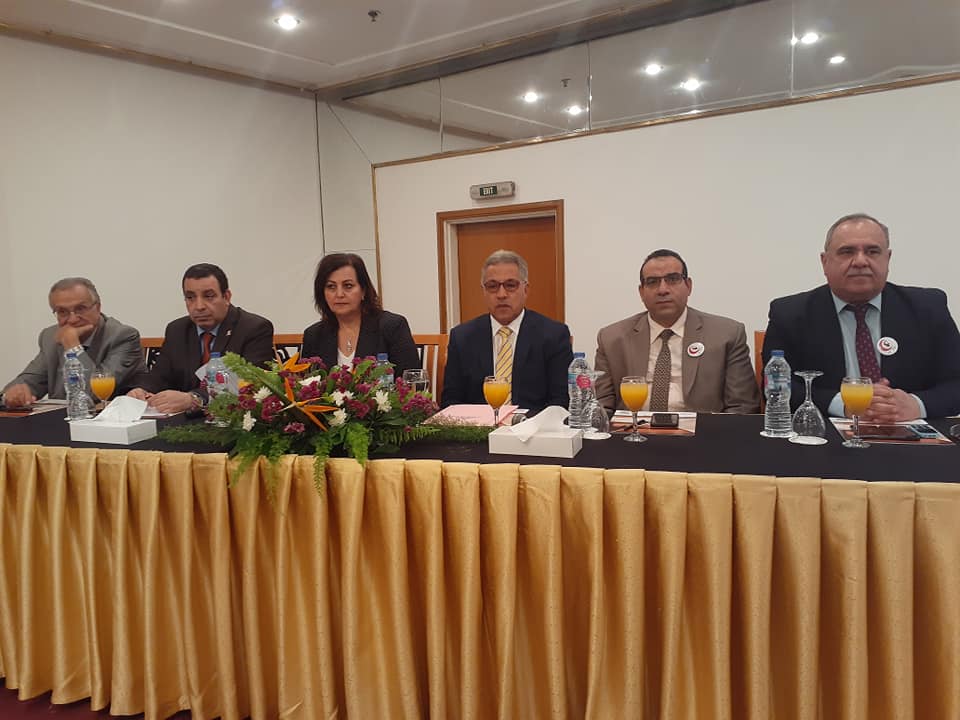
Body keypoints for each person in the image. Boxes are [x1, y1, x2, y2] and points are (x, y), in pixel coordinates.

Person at [763, 212, 960, 420]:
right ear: (824, 262)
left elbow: (955, 382)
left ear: (888, 259)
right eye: (847, 252)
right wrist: (845, 404)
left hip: (910, 430)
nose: (860, 261)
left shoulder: (928, 308)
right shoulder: (790, 314)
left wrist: (916, 405)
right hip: (829, 433)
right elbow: (777, 388)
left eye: (872, 251)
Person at [594, 249, 759, 414]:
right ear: (641, 292)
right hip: (633, 428)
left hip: (703, 429)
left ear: (689, 286)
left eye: (672, 279)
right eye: (652, 282)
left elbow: (742, 407)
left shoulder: (727, 335)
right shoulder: (611, 339)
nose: (662, 289)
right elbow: (601, 408)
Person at [441, 249, 572, 416]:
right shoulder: (462, 337)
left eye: (510, 285)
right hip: (478, 428)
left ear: (526, 290)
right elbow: (451, 402)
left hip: (532, 427)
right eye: (492, 286)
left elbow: (560, 402)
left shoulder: (554, 335)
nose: (501, 294)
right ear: (483, 291)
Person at [128, 263, 274, 413]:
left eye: (208, 296)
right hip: (182, 420)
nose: (199, 306)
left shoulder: (254, 328)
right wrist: (141, 390)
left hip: (232, 418)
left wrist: (195, 399)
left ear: (226, 297)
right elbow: (159, 375)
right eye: (190, 297)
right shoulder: (177, 330)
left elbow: (250, 384)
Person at [2, 278, 144, 407]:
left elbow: (93, 394)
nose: (72, 319)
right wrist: (12, 395)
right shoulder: (50, 336)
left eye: (80, 308)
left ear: (98, 307)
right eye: (62, 312)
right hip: (58, 419)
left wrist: (73, 346)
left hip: (104, 420)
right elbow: (29, 381)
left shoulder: (123, 336)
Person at [301, 253, 420, 374]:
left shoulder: (392, 327)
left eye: (348, 286)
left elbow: (412, 381)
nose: (339, 294)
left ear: (363, 290)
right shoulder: (313, 335)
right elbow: (306, 383)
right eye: (331, 286)